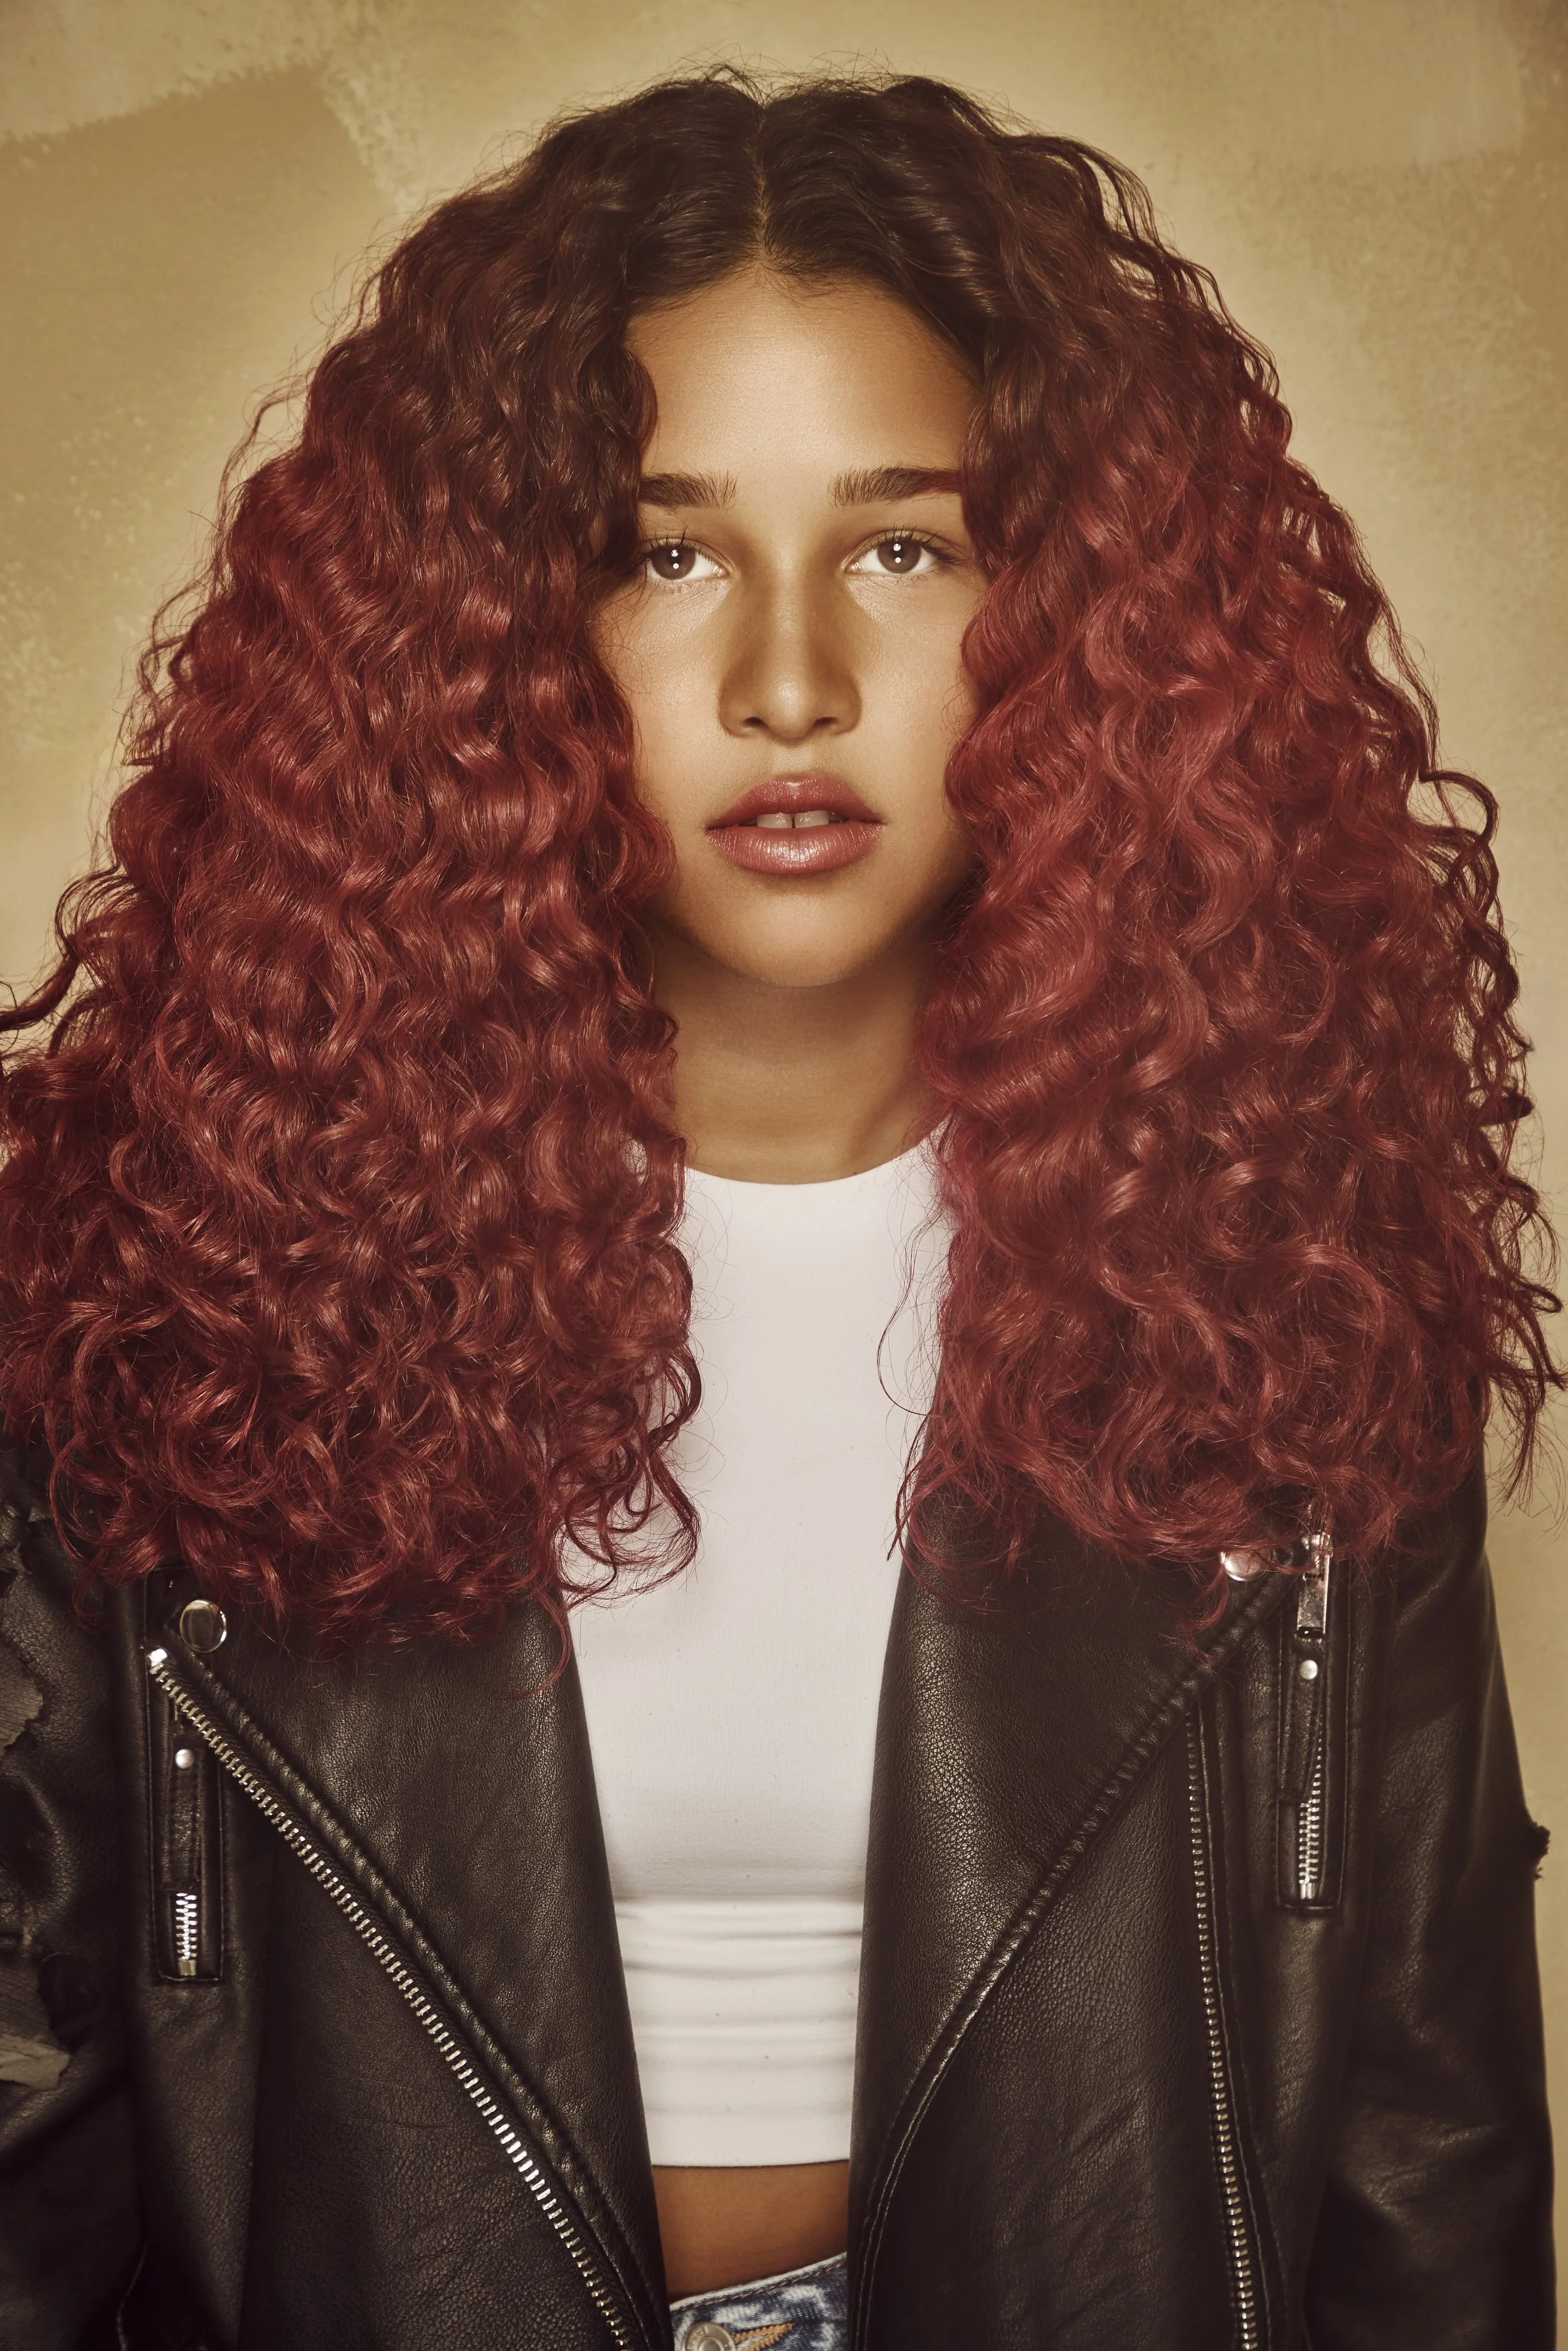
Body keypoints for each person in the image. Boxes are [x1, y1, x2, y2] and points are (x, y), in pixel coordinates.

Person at [0, 66, 1556, 2351]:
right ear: (491, 630)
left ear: (1090, 627)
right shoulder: (180, 1288)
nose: (792, 679)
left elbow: (1426, 2165)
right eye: (669, 547)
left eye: (904, 542)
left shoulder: (1280, 1290)